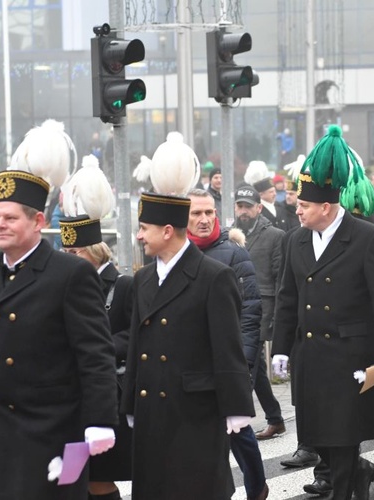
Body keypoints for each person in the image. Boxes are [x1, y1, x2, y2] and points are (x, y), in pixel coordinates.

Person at [272, 125, 374, 500]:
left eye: (304, 205)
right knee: (318, 437)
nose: (296, 210)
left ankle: (347, 485)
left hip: (350, 357)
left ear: (326, 207)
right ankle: (359, 473)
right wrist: (281, 347)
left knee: (343, 439)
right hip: (310, 356)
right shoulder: (295, 240)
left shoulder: (366, 237)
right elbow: (287, 297)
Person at [0, 170, 118, 500]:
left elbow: (95, 353)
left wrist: (100, 420)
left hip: (50, 429)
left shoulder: (70, 273)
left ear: (38, 221)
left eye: (10, 218)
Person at [122, 190, 255, 500]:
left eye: (145, 228)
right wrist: (129, 401)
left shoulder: (214, 276)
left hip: (196, 413)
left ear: (167, 231)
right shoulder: (143, 279)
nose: (140, 236)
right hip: (152, 407)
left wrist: (236, 408)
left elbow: (227, 345)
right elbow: (136, 346)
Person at [186, 189, 269, 500]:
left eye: (209, 212)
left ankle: (257, 486)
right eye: (197, 214)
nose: (205, 219)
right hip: (195, 364)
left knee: (238, 431)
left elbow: (250, 312)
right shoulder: (178, 254)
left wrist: (245, 364)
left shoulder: (234, 253)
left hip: (231, 361)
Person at [59, 214, 133, 500]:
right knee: (70, 477)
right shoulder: (65, 284)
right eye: (65, 253)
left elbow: (135, 335)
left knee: (98, 480)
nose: (68, 259)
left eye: (74, 252)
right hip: (69, 398)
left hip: (104, 397)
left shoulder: (123, 285)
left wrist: (98, 346)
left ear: (94, 250)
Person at [231, 185, 289, 443]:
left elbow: (280, 277)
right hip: (235, 306)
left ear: (259, 208)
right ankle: (275, 418)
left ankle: (237, 420)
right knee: (257, 366)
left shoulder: (275, 235)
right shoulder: (229, 235)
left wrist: (278, 313)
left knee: (249, 366)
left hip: (264, 306)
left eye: (248, 206)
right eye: (240, 206)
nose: (243, 211)